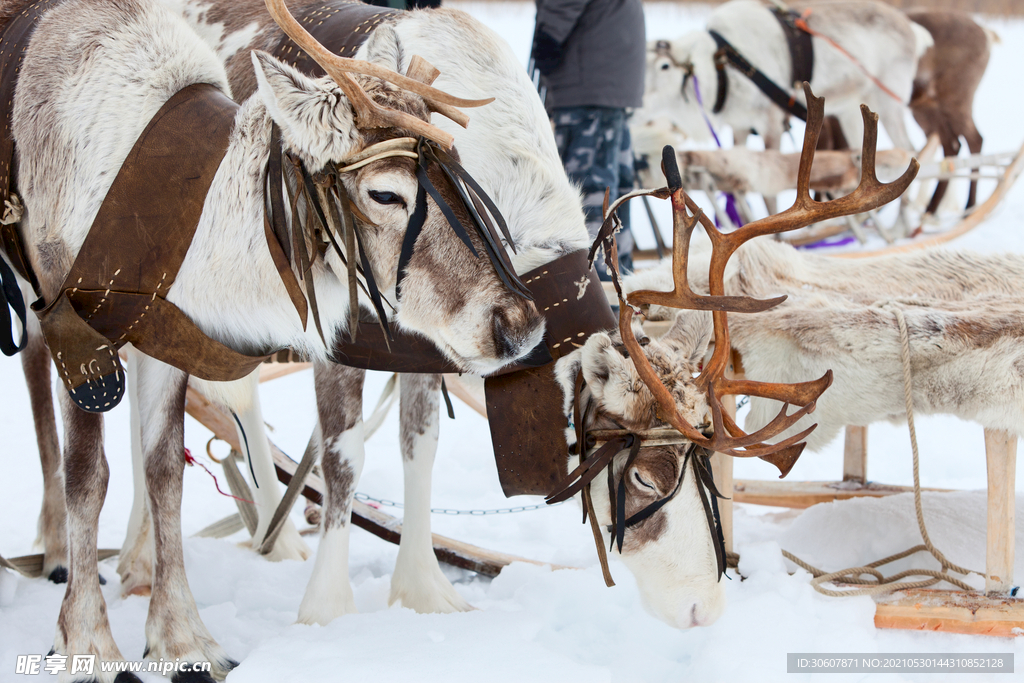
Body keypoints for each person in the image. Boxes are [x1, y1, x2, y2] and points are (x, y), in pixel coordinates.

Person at [532, 0, 645, 278]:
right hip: (606, 73)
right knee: (613, 193)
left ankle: (596, 294)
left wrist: (550, 35)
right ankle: (618, 288)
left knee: (589, 194)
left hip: (588, 76)